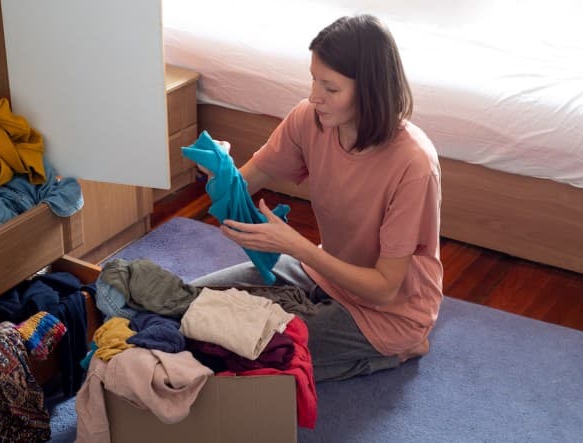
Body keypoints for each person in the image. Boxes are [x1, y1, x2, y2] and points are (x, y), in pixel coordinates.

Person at [190, 14, 443, 383]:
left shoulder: (413, 164)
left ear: (370, 90)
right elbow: (247, 180)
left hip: (389, 310)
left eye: (331, 87)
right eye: (313, 78)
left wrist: (298, 247)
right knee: (192, 305)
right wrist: (222, 172)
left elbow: (386, 287)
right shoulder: (309, 119)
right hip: (323, 272)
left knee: (249, 355)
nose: (314, 95)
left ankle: (398, 349)